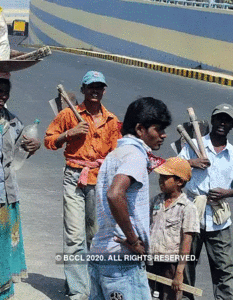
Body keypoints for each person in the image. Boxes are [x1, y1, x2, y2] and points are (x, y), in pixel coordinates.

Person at [44, 71, 121, 299]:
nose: (94, 91)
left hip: (99, 179)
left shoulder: (112, 121)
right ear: (83, 90)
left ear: (104, 90)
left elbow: (116, 155)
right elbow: (49, 141)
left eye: (99, 87)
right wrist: (69, 133)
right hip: (74, 178)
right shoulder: (69, 114)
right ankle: (78, 292)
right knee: (74, 236)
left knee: (95, 236)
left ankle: (91, 284)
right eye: (90, 87)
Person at [89, 97, 172, 300]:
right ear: (140, 129)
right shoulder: (135, 155)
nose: (163, 135)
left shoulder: (115, 154)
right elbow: (115, 193)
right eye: (158, 129)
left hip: (102, 251)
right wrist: (134, 241)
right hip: (122, 258)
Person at [0, 73, 41, 299]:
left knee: (3, 247)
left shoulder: (14, 122)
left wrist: (32, 147)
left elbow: (17, 157)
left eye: (6, 92)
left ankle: (2, 292)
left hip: (8, 195)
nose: (3, 96)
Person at [179, 104, 233, 300]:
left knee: (225, 269)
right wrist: (191, 163)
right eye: (219, 119)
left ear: (232, 125)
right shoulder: (193, 146)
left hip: (218, 217)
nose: (223, 123)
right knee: (186, 265)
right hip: (192, 213)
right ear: (212, 120)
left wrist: (228, 193)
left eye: (227, 120)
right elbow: (173, 168)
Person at [148, 157, 199, 300]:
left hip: (171, 264)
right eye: (160, 177)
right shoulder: (156, 201)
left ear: (180, 182)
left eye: (165, 178)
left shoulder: (187, 208)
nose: (160, 180)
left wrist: (179, 272)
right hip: (151, 261)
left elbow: (187, 241)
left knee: (168, 297)